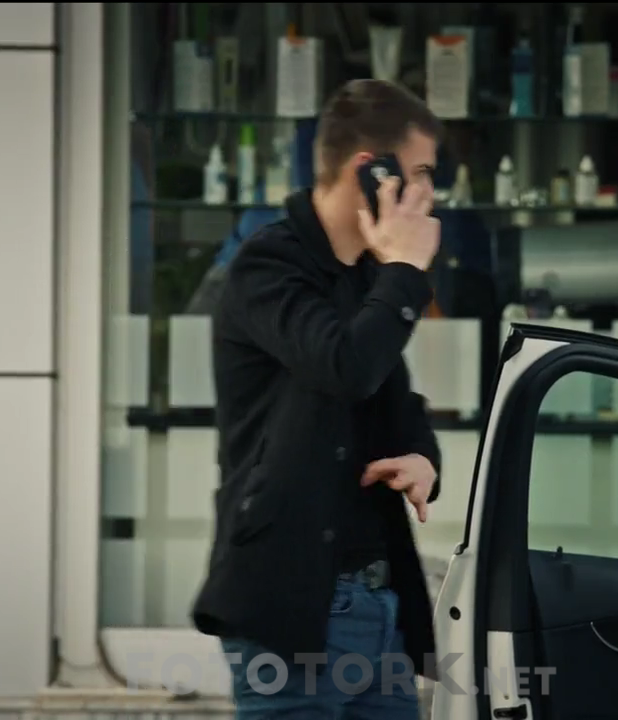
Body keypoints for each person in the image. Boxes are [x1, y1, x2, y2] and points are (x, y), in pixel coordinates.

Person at [191, 79, 445, 719]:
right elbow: (345, 366)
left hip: (378, 605)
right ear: (370, 170)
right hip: (292, 608)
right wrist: (406, 272)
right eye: (419, 174)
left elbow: (398, 404)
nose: (429, 195)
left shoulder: (369, 277)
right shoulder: (268, 267)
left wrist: (423, 460)